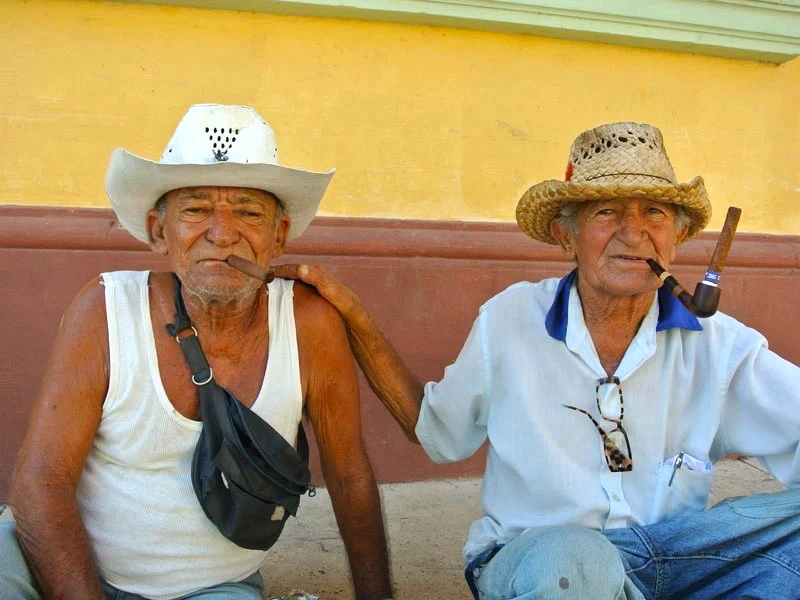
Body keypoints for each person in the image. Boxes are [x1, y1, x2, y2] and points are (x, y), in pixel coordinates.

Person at [275, 122, 800, 599]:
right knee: (576, 561)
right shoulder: (510, 321)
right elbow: (437, 432)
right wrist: (355, 318)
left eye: (654, 212)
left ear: (678, 236)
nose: (633, 231)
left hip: (675, 560)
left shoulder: (720, 345)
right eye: (607, 212)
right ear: (564, 235)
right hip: (542, 561)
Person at [1, 104, 392, 600]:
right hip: (66, 570)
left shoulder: (308, 324)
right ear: (159, 231)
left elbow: (348, 472)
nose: (223, 232)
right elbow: (41, 486)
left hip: (211, 589)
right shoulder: (105, 308)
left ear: (279, 236)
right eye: (196, 209)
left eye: (249, 211)